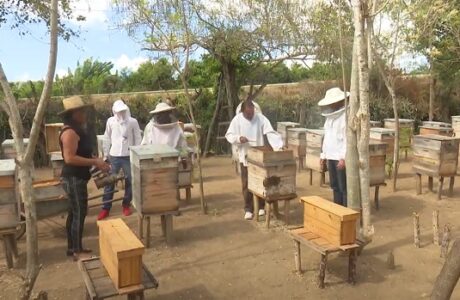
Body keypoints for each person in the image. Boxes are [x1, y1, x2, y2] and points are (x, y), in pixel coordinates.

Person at [59, 96, 110, 261]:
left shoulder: (78, 130)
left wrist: (94, 158)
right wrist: (94, 161)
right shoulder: (69, 133)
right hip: (73, 178)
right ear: (73, 114)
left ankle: (73, 248)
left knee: (74, 213)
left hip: (77, 177)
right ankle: (77, 251)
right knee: (79, 213)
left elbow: (81, 153)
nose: (85, 113)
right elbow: (69, 158)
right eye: (81, 111)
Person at [225, 100, 284, 220]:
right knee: (246, 183)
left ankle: (261, 207)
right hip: (245, 155)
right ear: (242, 112)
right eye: (248, 114)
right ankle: (248, 209)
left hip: (259, 155)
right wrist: (238, 138)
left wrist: (278, 146)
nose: (250, 116)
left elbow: (270, 132)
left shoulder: (260, 118)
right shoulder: (237, 120)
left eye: (252, 113)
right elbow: (229, 135)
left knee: (261, 182)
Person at [98, 100, 142, 220]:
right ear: (114, 112)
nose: (121, 114)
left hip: (128, 155)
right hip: (114, 155)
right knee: (110, 181)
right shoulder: (110, 121)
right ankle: (105, 208)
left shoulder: (133, 122)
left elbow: (138, 138)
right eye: (119, 112)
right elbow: (107, 137)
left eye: (123, 111)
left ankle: (126, 205)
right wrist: (105, 155)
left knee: (130, 180)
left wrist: (137, 153)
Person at [319, 87, 348, 207]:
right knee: (335, 186)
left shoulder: (345, 117)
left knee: (343, 187)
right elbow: (327, 138)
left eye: (333, 102)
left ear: (339, 101)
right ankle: (338, 211)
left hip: (340, 158)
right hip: (331, 156)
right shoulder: (329, 118)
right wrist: (323, 155)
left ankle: (346, 212)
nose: (331, 105)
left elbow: (347, 139)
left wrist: (343, 158)